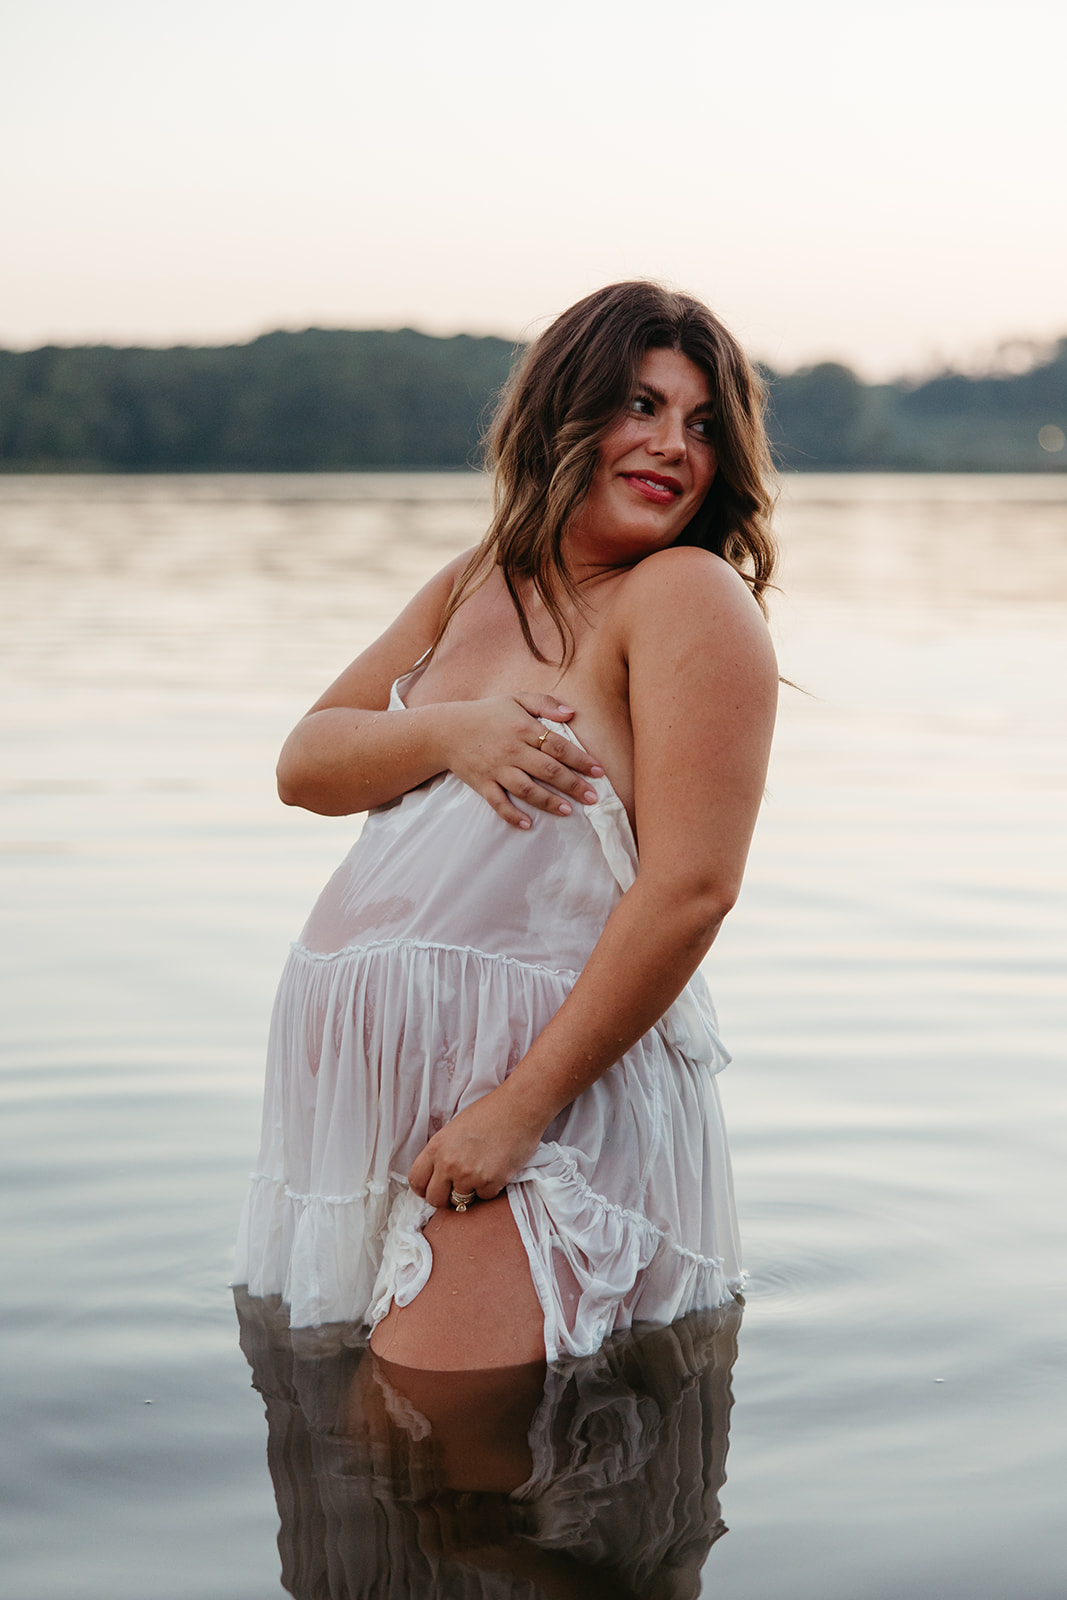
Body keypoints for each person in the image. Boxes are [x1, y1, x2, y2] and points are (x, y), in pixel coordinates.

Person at [234, 280, 778, 1374]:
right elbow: (306, 763)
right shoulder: (473, 583)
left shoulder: (680, 595)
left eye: (702, 424)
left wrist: (518, 1111)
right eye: (639, 405)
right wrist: (452, 733)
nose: (673, 445)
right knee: (358, 1482)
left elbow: (690, 890)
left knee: (418, 1455)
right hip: (372, 1120)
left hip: (543, 1115)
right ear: (559, 413)